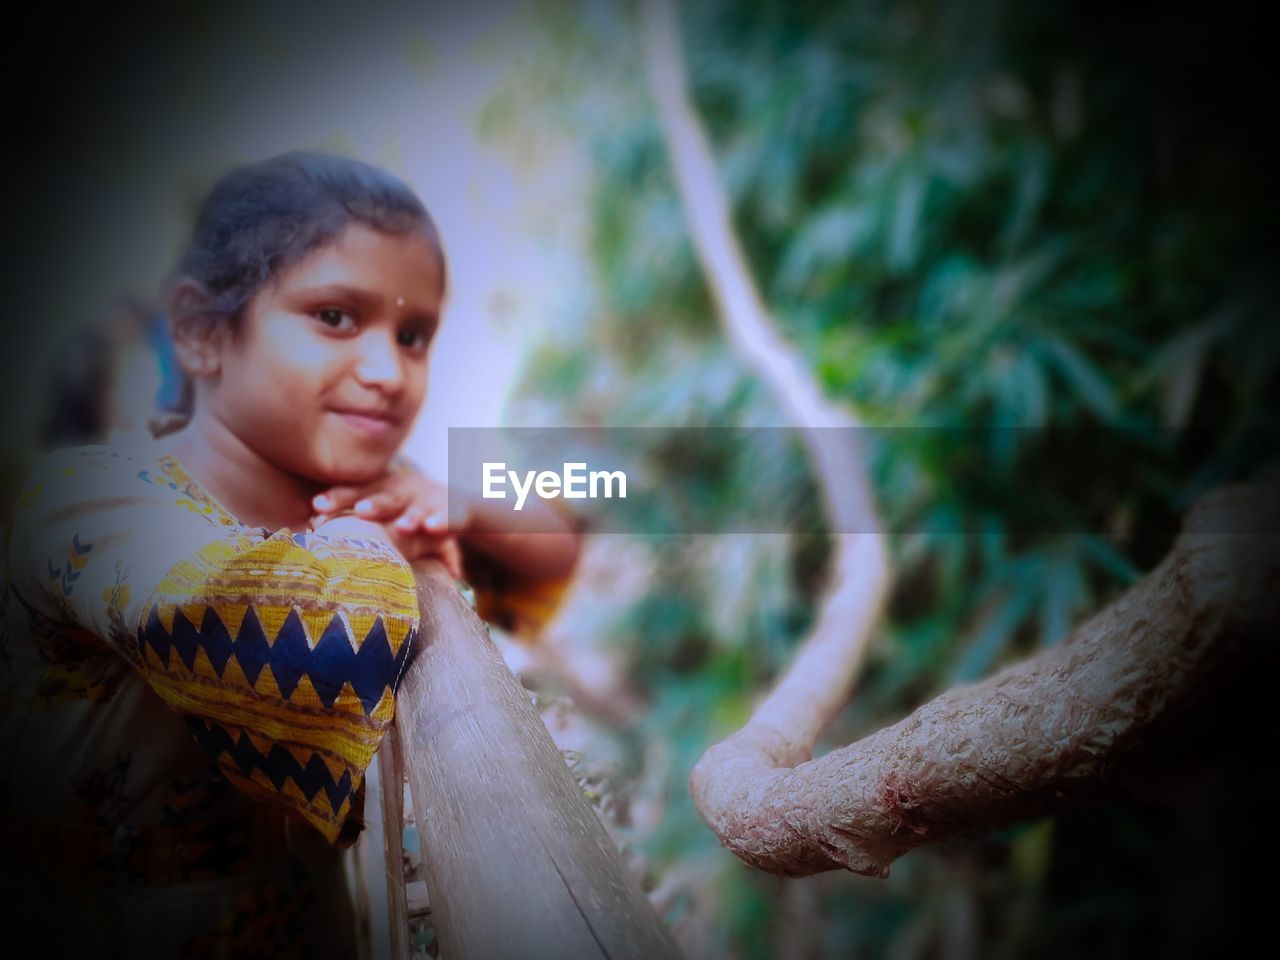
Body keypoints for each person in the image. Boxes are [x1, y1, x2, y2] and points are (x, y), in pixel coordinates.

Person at [0, 151, 579, 957]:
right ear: (203, 333)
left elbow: (550, 553)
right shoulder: (91, 506)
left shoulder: (365, 485)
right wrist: (382, 539)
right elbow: (324, 640)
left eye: (414, 335)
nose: (388, 372)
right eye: (336, 317)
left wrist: (465, 504)